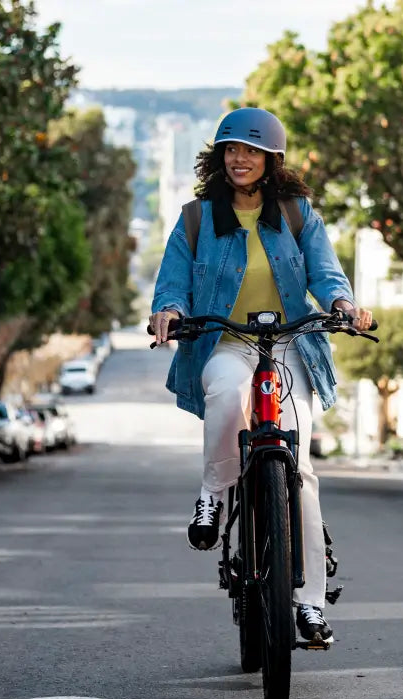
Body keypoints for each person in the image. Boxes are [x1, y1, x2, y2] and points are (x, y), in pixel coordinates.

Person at [150, 107, 373, 644]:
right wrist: (170, 312)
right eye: (231, 149)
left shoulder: (297, 213)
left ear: (270, 159)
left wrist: (343, 302)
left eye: (250, 151)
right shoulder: (198, 218)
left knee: (302, 470)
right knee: (226, 394)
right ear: (220, 157)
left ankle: (311, 605)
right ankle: (212, 494)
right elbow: (172, 281)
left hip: (290, 344)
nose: (239, 159)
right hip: (227, 340)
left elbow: (325, 271)